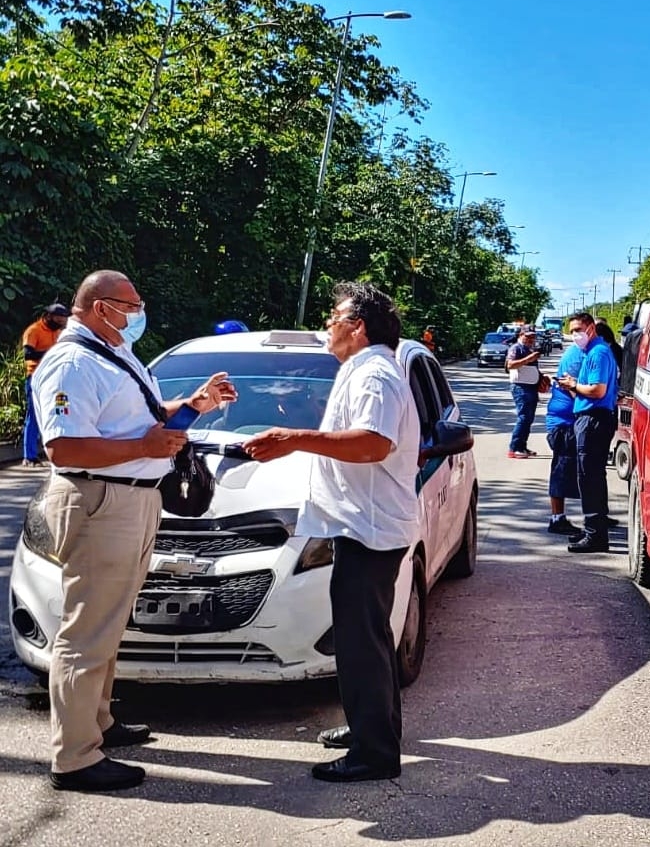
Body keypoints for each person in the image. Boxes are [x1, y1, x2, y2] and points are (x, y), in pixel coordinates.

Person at [32, 270, 236, 792]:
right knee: (87, 633)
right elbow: (66, 448)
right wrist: (143, 450)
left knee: (110, 623)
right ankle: (74, 757)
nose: (139, 312)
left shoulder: (113, 352)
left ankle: (98, 722)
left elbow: (140, 423)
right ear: (101, 307)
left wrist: (193, 405)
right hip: (100, 499)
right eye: (132, 304)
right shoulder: (72, 362)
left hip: (130, 500)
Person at [242, 283, 419, 783]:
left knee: (362, 641)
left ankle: (374, 753)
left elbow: (372, 444)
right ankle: (370, 728)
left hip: (370, 528)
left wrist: (295, 440)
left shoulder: (376, 375)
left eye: (334, 316)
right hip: (361, 525)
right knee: (366, 636)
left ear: (357, 327)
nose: (327, 325)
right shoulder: (362, 371)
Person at [559, 312, 620, 553]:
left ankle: (595, 535)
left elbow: (597, 390)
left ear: (591, 329)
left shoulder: (598, 353)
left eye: (578, 330)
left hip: (594, 420)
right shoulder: (592, 352)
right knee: (591, 476)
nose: (575, 335)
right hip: (591, 418)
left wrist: (574, 385)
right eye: (572, 331)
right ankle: (594, 530)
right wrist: (572, 385)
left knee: (589, 477)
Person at [544, 328, 586, 535]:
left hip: (564, 423)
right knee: (561, 471)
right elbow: (573, 390)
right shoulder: (578, 356)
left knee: (575, 470)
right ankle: (557, 518)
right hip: (563, 425)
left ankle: (596, 513)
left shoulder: (579, 353)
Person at [20, 303, 70, 467]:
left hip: (57, 379)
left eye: (64, 318)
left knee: (61, 411)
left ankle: (61, 451)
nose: (63, 321)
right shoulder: (34, 330)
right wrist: (51, 352)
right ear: (49, 316)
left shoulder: (59, 332)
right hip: (36, 378)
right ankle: (30, 456)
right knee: (34, 415)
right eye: (59, 317)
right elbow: (28, 354)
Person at [506, 325, 542, 459]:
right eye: (528, 336)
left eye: (533, 336)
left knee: (529, 419)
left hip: (530, 386)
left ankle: (522, 446)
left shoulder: (529, 348)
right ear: (521, 335)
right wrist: (528, 359)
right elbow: (510, 365)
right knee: (523, 418)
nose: (531, 339)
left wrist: (541, 378)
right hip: (521, 387)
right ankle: (514, 448)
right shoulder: (516, 348)